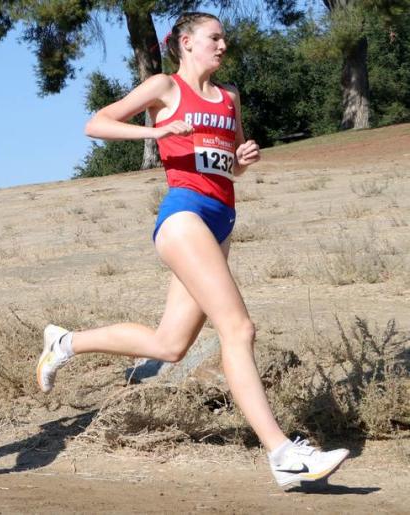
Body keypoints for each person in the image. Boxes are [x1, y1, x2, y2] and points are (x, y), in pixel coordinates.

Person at [35, 12, 349, 489]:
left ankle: (65, 342)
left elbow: (230, 163)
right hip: (184, 215)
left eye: (224, 38)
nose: (223, 45)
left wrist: (244, 160)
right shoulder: (163, 87)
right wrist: (156, 132)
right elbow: (96, 125)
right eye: (214, 38)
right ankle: (282, 454)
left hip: (222, 219)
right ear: (186, 42)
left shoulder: (229, 98)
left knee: (170, 345)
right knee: (238, 328)